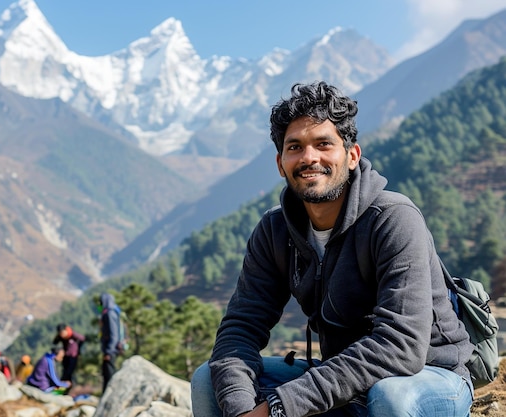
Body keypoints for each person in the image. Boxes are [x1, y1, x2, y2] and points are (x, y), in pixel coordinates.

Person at [190, 81, 474, 417]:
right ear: (281, 163)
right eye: (294, 147)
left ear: (352, 156)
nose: (309, 157)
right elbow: (240, 328)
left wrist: (279, 407)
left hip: (428, 377)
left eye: (323, 144)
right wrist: (240, 410)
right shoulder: (274, 231)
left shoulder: (394, 219)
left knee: (390, 397)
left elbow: (401, 346)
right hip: (343, 379)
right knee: (210, 379)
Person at [98, 292, 123, 392]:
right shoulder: (111, 312)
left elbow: (114, 334)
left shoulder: (109, 313)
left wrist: (108, 351)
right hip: (110, 349)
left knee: (109, 375)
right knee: (106, 373)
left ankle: (109, 394)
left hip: (110, 351)